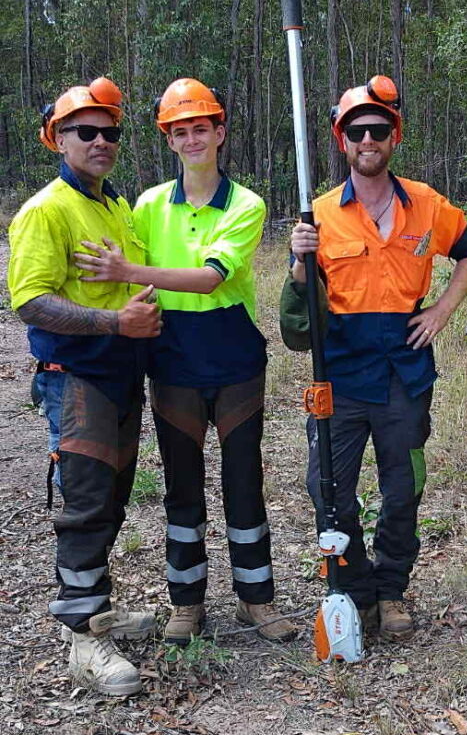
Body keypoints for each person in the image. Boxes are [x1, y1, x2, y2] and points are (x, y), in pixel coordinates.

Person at [74, 78, 296, 645]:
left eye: (201, 128)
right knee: (181, 483)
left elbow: (209, 278)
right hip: (172, 359)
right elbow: (132, 275)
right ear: (168, 142)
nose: (192, 138)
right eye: (180, 131)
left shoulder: (246, 203)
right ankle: (187, 603)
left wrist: (128, 274)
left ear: (219, 133)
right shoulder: (148, 205)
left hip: (235, 357)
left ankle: (256, 599)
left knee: (244, 479)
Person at [282, 76, 467, 641]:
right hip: (340, 370)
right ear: (342, 140)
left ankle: (392, 590)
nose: (369, 139)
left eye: (379, 129)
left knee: (403, 486)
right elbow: (301, 311)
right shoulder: (318, 214)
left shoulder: (427, 204)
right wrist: (300, 262)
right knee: (329, 488)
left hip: (404, 372)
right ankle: (353, 586)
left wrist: (442, 309)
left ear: (395, 136)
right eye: (357, 131)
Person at [7, 78, 161, 697]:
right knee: (86, 499)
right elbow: (30, 301)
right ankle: (82, 635)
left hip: (121, 372)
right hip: (77, 376)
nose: (101, 142)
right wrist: (112, 322)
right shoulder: (47, 209)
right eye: (86, 132)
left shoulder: (114, 204)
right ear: (58, 139)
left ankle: (97, 606)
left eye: (110, 132)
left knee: (114, 493)